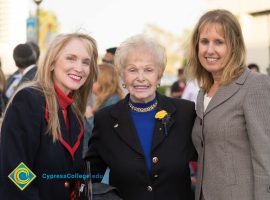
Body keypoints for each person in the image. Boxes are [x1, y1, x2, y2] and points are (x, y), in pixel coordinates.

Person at [186, 9, 270, 200]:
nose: (209, 50)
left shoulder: (255, 85)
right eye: (204, 42)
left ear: (235, 45)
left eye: (219, 42)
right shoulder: (203, 92)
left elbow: (268, 157)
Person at [85, 34, 196, 200]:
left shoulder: (184, 113)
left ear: (159, 75)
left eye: (148, 70)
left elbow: (209, 161)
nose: (141, 78)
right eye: (132, 70)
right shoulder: (106, 119)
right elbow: (90, 178)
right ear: (122, 75)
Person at [0, 33, 98, 200]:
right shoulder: (29, 100)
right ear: (52, 63)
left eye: (85, 62)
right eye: (71, 58)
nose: (79, 68)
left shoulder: (74, 112)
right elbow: (16, 169)